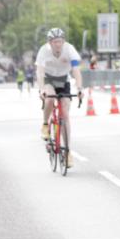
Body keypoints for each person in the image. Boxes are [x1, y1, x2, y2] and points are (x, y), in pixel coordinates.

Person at [36, 28, 84, 168]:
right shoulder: (44, 51)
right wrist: (41, 89)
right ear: (50, 42)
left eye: (60, 41)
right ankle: (45, 123)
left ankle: (68, 151)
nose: (58, 44)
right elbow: (40, 72)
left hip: (64, 80)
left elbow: (76, 70)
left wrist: (80, 88)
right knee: (50, 99)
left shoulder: (70, 50)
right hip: (49, 79)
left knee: (65, 114)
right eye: (55, 42)